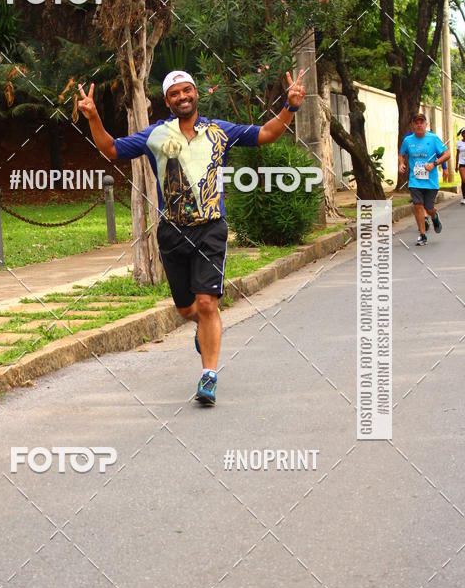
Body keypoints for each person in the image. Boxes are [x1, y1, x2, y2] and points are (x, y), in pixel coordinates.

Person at [77, 69, 306, 405]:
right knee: (187, 310)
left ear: (196, 93)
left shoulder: (220, 131)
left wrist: (291, 107)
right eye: (175, 93)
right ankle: (205, 330)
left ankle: (208, 376)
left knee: (206, 303)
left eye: (188, 91)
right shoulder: (156, 134)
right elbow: (111, 149)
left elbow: (268, 133)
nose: (182, 97)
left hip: (211, 227)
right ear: (167, 101)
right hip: (172, 231)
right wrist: (94, 117)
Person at [398, 112, 449, 245]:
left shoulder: (433, 139)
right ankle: (422, 235)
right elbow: (401, 153)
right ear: (412, 126)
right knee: (418, 206)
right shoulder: (408, 140)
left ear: (426, 125)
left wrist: (434, 164)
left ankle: (434, 216)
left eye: (422, 122)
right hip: (415, 180)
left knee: (429, 207)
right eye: (416, 122)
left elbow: (446, 154)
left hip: (430, 182)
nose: (419, 125)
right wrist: (401, 163)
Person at [455, 127, 465, 204]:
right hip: (462, 164)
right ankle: (464, 197)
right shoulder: (459, 143)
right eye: (464, 133)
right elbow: (457, 154)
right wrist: (456, 165)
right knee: (464, 179)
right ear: (462, 134)